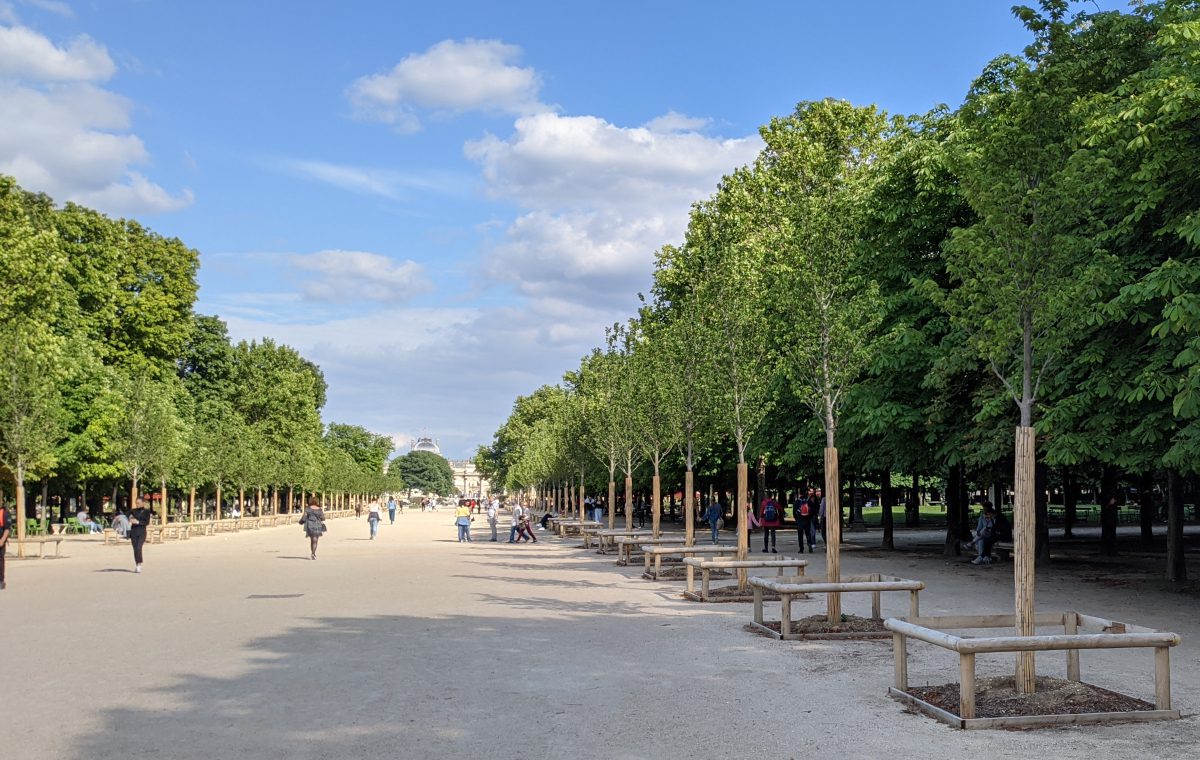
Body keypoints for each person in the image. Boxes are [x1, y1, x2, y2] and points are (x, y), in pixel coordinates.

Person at [128, 497, 152, 573]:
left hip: (142, 532)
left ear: (143, 503)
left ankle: (139, 564)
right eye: (136, 503)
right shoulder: (133, 510)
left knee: (138, 548)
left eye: (138, 503)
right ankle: (137, 564)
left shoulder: (146, 511)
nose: (137, 504)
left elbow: (147, 522)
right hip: (133, 532)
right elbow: (126, 515)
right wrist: (130, 517)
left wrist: (137, 522)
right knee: (135, 549)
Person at [796, 488, 817, 554]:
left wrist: (797, 519)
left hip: (800, 520)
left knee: (800, 535)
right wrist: (809, 517)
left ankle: (801, 549)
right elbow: (813, 510)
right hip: (807, 520)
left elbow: (794, 512)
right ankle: (809, 544)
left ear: (800, 493)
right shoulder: (808, 501)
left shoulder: (797, 501)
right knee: (808, 533)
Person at [0, 502, 10, 590]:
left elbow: (7, 528)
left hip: (0, 540)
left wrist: (2, 540)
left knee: (0, 560)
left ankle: (1, 580)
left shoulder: (4, 513)